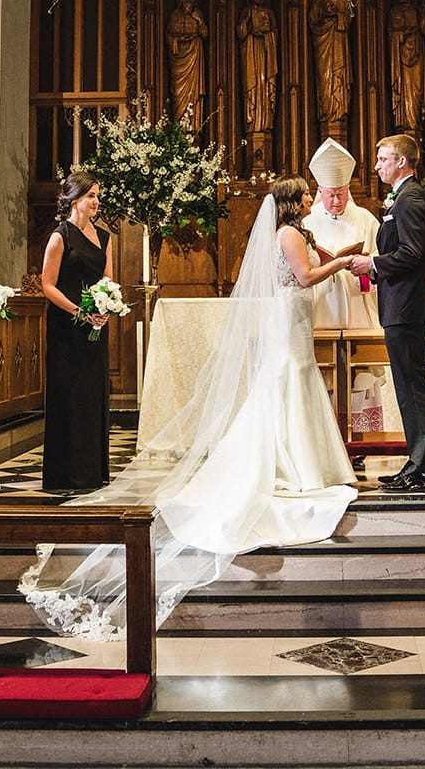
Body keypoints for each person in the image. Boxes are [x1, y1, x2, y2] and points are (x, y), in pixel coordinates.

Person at [23, 177, 358, 639]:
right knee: (286, 388)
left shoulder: (296, 233)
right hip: (282, 321)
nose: (311, 199)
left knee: (292, 389)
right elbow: (304, 276)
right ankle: (291, 466)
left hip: (293, 321)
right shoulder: (287, 234)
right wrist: (340, 263)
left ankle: (301, 463)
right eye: (305, 194)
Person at [348, 133, 425, 491]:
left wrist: (373, 261)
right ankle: (417, 463)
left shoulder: (411, 199)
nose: (377, 165)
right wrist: (374, 267)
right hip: (399, 304)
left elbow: (414, 253)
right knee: (406, 387)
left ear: (402, 162)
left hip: (406, 306)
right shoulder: (401, 199)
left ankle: (422, 468)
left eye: (383, 159)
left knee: (413, 388)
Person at [39, 171, 115, 493]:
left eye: (97, 196)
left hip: (95, 325)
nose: (96, 202)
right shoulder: (60, 237)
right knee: (69, 395)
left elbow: (108, 280)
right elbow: (47, 285)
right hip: (66, 327)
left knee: (92, 393)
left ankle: (91, 471)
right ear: (73, 200)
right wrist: (79, 312)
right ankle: (65, 474)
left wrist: (106, 308)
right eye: (90, 196)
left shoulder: (105, 236)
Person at [301, 137, 380, 330]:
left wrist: (367, 263)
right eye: (330, 195)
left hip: (356, 297)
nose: (336, 201)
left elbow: (382, 253)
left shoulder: (365, 218)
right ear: (320, 191)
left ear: (348, 190)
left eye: (341, 194)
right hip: (320, 299)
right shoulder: (307, 220)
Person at [310, 0, 352, 126]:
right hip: (322, 43)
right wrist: (322, 12)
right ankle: (327, 113)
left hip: (338, 43)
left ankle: (339, 113)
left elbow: (347, 22)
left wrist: (337, 15)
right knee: (324, 77)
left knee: (338, 75)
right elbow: (313, 20)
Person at [167, 0, 207, 131]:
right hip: (179, 62)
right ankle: (180, 128)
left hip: (194, 59)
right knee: (178, 96)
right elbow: (169, 37)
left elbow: (204, 34)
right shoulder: (174, 15)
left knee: (194, 95)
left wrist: (199, 20)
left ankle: (194, 128)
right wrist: (177, 40)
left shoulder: (198, 14)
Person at [239, 0, 277, 134]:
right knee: (252, 89)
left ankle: (265, 123)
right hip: (251, 56)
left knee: (266, 88)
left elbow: (275, 33)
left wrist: (268, 34)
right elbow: (240, 33)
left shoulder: (269, 13)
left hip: (266, 56)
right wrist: (249, 25)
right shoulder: (247, 12)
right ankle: (252, 120)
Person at [388, 0, 425, 130]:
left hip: (416, 54)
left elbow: (423, 29)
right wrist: (403, 34)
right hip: (400, 57)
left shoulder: (416, 11)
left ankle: (415, 125)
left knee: (417, 89)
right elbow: (392, 33)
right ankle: (403, 123)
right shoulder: (394, 12)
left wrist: (422, 14)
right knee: (403, 88)